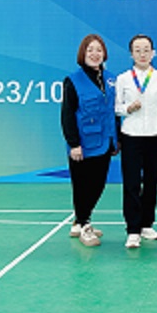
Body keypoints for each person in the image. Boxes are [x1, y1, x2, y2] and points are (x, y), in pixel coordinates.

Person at [61, 34, 120, 247]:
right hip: (83, 144)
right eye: (90, 50)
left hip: (105, 142)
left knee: (98, 184)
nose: (95, 54)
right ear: (83, 54)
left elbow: (114, 112)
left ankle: (80, 221)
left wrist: (117, 139)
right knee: (82, 186)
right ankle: (84, 224)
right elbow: (67, 114)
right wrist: (74, 143)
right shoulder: (73, 81)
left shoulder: (110, 79)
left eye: (99, 50)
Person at [115, 34, 157, 249]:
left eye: (146, 50)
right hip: (131, 136)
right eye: (138, 50)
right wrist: (127, 109)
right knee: (131, 183)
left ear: (153, 53)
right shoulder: (123, 79)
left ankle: (147, 224)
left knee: (151, 183)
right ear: (131, 54)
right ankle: (132, 229)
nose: (142, 54)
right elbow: (116, 108)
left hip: (156, 136)